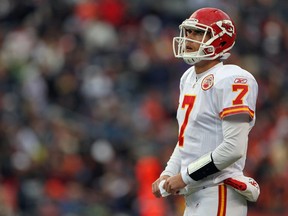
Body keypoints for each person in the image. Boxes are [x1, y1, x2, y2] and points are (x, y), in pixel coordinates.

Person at [152, 7, 260, 216]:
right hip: (194, 196)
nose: (190, 37)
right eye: (189, 32)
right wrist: (168, 172)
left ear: (220, 40)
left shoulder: (233, 78)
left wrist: (183, 177)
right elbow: (187, 138)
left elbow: (232, 148)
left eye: (198, 32)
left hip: (219, 192)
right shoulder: (188, 78)